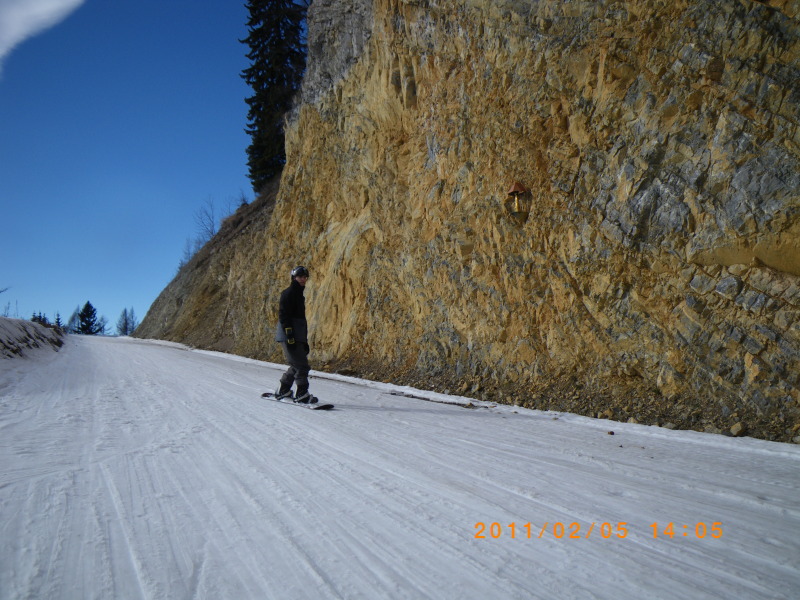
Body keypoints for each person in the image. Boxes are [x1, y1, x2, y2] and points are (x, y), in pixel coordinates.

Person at [275, 265, 317, 403]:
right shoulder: (289, 293)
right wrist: (290, 336)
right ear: (294, 278)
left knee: (296, 364)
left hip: (296, 335)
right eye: (300, 276)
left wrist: (303, 342)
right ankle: (301, 394)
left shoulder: (298, 294)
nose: (303, 279)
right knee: (302, 366)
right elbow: (284, 316)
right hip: (289, 335)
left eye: (305, 277)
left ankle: (283, 389)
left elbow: (299, 321)